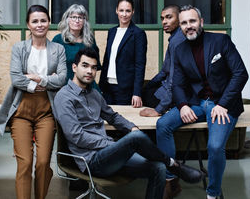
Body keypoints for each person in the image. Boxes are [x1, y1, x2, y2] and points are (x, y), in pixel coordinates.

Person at [53, 47, 204, 199]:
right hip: (90, 160)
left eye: (93, 67)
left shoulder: (94, 95)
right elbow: (76, 136)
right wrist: (112, 144)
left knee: (158, 168)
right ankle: (174, 165)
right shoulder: (64, 97)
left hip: (109, 154)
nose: (90, 71)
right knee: (136, 138)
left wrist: (131, 127)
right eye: (85, 66)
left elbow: (112, 116)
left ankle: (169, 164)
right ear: (74, 67)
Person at [156, 5, 249, 199]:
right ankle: (171, 179)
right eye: (184, 23)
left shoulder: (220, 41)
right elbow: (178, 84)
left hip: (223, 104)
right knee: (163, 125)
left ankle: (212, 194)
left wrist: (223, 104)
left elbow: (241, 74)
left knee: (215, 147)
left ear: (201, 22)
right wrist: (182, 106)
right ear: (180, 26)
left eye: (192, 21)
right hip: (196, 103)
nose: (188, 26)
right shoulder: (180, 49)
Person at [0, 5, 67, 199]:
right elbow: (17, 78)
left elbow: (62, 78)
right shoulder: (19, 48)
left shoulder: (58, 49)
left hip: (46, 113)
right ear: (28, 24)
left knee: (42, 163)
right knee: (24, 163)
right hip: (22, 113)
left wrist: (38, 79)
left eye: (43, 20)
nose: (39, 24)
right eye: (35, 21)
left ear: (49, 23)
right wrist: (41, 83)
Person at [99, 0, 147, 107]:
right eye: (121, 10)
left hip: (126, 88)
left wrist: (137, 92)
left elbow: (140, 65)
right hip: (108, 86)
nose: (124, 14)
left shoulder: (138, 34)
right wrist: (100, 86)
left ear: (133, 12)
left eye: (128, 11)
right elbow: (107, 60)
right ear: (116, 10)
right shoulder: (112, 32)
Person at [140, 4, 185, 117]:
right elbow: (164, 71)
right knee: (144, 92)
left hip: (174, 95)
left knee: (143, 99)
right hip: (166, 86)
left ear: (180, 19)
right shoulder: (174, 39)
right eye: (162, 18)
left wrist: (159, 109)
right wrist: (148, 85)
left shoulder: (177, 42)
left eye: (169, 17)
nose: (164, 21)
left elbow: (174, 79)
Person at [52, 3, 101, 91]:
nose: (77, 20)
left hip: (88, 88)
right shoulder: (59, 40)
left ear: (84, 21)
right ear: (67, 19)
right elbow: (51, 65)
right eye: (73, 17)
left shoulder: (90, 40)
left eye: (80, 17)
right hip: (65, 87)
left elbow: (95, 66)